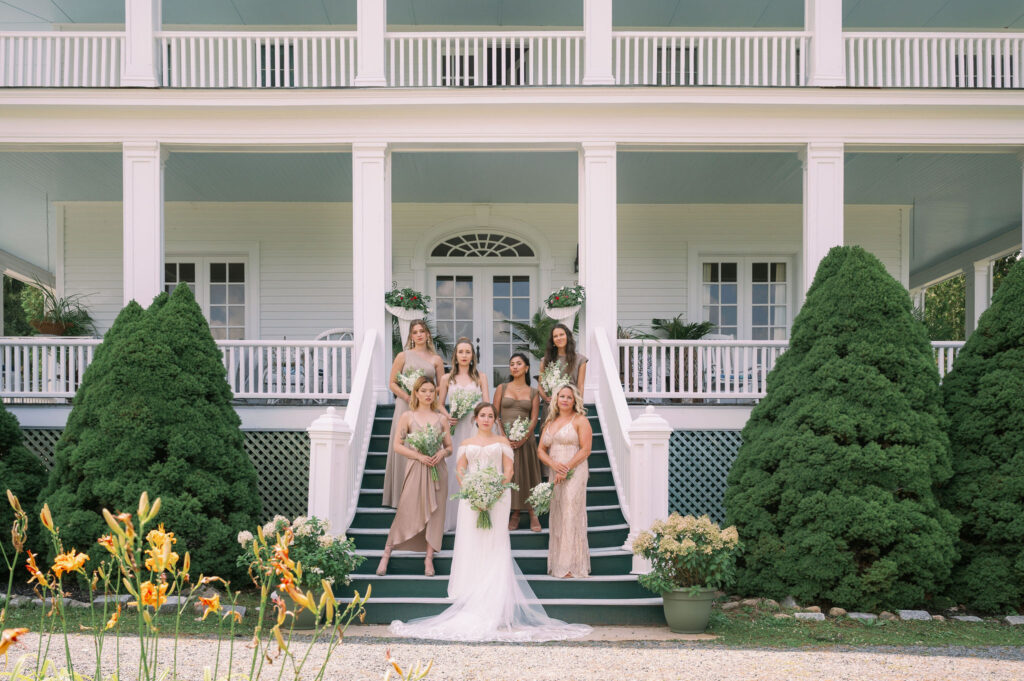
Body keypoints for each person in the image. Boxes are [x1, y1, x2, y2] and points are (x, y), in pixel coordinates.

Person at [389, 402, 592, 642]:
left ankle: (494, 592)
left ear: (495, 420)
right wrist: (471, 492)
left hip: (498, 495)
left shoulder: (503, 443)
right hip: (471, 498)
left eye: (490, 416)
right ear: (475, 419)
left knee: (495, 541)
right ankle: (472, 587)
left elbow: (509, 471)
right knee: (472, 541)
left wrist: (495, 490)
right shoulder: (465, 444)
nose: (486, 419)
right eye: (482, 415)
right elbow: (460, 471)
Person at [376, 376, 452, 577]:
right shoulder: (407, 416)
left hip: (437, 470)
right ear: (416, 393)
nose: (428, 394)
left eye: (431, 391)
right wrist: (419, 455)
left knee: (436, 514)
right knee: (406, 511)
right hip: (416, 468)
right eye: (423, 390)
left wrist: (441, 453)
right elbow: (397, 446)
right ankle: (386, 553)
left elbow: (450, 447)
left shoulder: (442, 418)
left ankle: (428, 559)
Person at [382, 320, 446, 508]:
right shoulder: (403, 356)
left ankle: (421, 495)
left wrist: (435, 404)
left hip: (427, 408)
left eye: (422, 331)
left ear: (427, 335)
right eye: (415, 332)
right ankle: (401, 496)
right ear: (410, 336)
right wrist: (408, 398)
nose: (418, 335)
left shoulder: (436, 360)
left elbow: (441, 386)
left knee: (424, 446)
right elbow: (392, 382)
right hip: (405, 405)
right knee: (405, 445)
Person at [537, 384, 593, 579]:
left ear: (574, 400)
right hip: (556, 471)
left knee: (571, 511)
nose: (565, 400)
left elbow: (586, 450)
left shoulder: (580, 420)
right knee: (559, 513)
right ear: (556, 399)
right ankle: (558, 564)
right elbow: (540, 450)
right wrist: (554, 465)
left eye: (569, 397)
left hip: (575, 468)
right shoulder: (550, 421)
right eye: (562, 396)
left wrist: (567, 467)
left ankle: (572, 565)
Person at [437, 338, 488, 532]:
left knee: (476, 467)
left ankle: (477, 516)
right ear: (455, 356)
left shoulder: (480, 377)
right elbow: (439, 404)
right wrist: (449, 416)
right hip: (456, 429)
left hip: (474, 427)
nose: (464, 355)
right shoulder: (446, 379)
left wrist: (481, 419)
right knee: (455, 470)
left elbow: (486, 404)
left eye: (468, 352)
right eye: (461, 352)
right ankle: (452, 519)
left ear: (472, 356)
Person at [494, 352, 542, 532]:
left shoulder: (533, 392)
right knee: (511, 476)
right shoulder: (502, 388)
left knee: (527, 475)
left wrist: (523, 438)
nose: (514, 366)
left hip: (526, 441)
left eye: (518, 363)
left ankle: (532, 513)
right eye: (512, 363)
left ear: (526, 368)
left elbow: (534, 418)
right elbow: (495, 414)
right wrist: (503, 437)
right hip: (505, 439)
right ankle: (514, 513)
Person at [538, 323, 587, 415]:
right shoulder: (545, 360)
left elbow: (580, 386)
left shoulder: (581, 360)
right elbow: (540, 385)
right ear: (552, 341)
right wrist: (545, 398)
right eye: (555, 336)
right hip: (551, 407)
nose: (559, 338)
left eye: (561, 334)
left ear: (568, 337)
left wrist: (578, 406)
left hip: (570, 406)